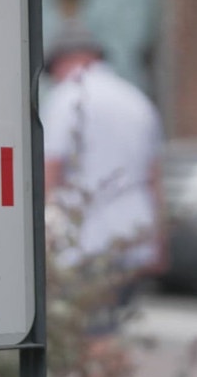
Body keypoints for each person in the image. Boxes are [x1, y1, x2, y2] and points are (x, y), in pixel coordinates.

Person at [41, 22, 165, 333]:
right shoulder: (137, 101)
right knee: (111, 329)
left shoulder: (66, 99)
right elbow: (153, 178)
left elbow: (49, 173)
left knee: (87, 334)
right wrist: (159, 241)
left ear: (62, 60)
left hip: (85, 239)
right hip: (133, 235)